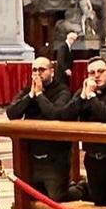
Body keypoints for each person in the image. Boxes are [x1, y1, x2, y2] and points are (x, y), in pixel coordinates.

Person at [61, 58, 106, 207]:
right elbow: (65, 116)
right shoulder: (84, 94)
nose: (96, 76)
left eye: (100, 71)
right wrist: (82, 96)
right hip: (92, 157)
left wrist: (92, 97)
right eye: (91, 73)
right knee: (99, 203)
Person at [5, 57, 73, 201]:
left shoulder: (63, 90)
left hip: (54, 157)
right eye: (34, 70)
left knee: (57, 198)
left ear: (52, 72)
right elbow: (11, 113)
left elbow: (54, 114)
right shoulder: (28, 90)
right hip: (31, 155)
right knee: (31, 198)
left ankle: (80, 188)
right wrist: (30, 95)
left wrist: (40, 95)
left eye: (42, 70)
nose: (37, 74)